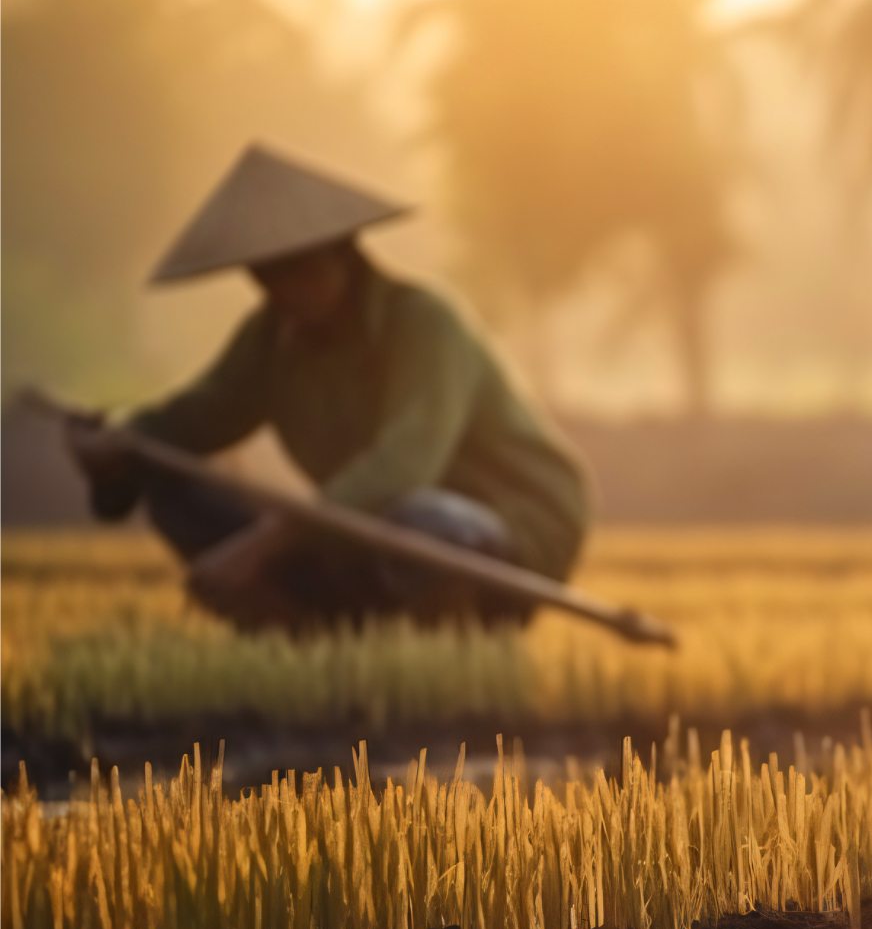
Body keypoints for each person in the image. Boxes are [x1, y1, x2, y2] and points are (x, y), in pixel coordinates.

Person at [67, 143, 589, 630]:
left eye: (297, 270)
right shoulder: (271, 337)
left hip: (501, 530)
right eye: (266, 277)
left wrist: (269, 542)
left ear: (343, 255)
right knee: (171, 481)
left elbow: (405, 465)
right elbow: (196, 418)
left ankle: (444, 642)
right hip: (364, 532)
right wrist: (121, 442)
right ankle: (311, 629)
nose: (283, 292)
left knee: (424, 519)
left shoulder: (424, 323)